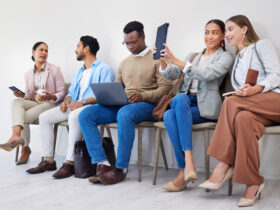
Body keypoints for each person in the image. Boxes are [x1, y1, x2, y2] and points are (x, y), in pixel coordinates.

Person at [199, 15, 280, 207]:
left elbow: (277, 74)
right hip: (255, 108)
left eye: (230, 29)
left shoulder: (262, 45)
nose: (226, 34)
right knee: (243, 119)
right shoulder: (237, 59)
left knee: (231, 102)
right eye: (225, 30)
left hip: (275, 100)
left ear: (244, 29)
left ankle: (224, 164)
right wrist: (244, 91)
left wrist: (256, 88)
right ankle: (253, 183)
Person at [78, 21, 173, 185]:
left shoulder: (157, 59)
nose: (129, 46)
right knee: (86, 114)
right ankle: (103, 164)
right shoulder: (124, 63)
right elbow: (117, 87)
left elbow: (166, 89)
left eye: (133, 42)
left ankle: (120, 168)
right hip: (124, 104)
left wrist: (143, 95)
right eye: (126, 43)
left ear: (143, 37)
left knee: (125, 113)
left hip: (148, 105)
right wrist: (109, 96)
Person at [153, 19, 234, 192]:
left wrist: (177, 60)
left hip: (205, 108)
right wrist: (164, 61)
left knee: (178, 102)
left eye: (214, 32)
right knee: (170, 112)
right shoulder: (193, 56)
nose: (209, 36)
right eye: (206, 32)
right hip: (185, 103)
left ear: (222, 37)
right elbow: (175, 75)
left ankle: (186, 165)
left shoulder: (225, 57)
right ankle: (185, 168)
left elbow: (207, 74)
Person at [26, 36, 115, 178]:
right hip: (74, 106)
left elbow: (104, 96)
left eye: (78, 47)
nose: (75, 50)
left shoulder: (105, 70)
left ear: (86, 49)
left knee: (74, 116)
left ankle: (69, 163)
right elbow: (72, 93)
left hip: (91, 107)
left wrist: (83, 102)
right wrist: (66, 101)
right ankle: (48, 160)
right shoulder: (78, 72)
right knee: (44, 117)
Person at [0, 42, 65, 165]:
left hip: (49, 104)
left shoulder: (55, 69)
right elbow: (29, 96)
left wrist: (52, 96)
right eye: (41, 50)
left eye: (46, 51)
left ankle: (24, 147)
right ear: (33, 52)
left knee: (20, 117)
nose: (44, 53)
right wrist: (22, 95)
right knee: (16, 102)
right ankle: (17, 137)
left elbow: (62, 92)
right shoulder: (28, 74)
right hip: (35, 102)